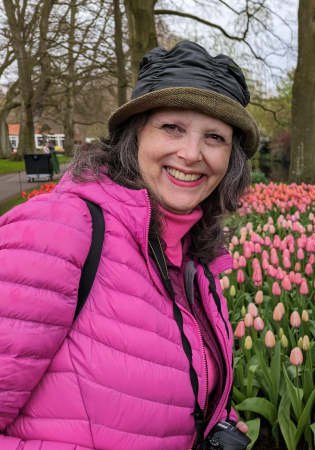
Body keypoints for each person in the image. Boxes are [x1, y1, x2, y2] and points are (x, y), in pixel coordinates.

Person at [0, 40, 259, 450]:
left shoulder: (194, 264)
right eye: (172, 127)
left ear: (232, 160)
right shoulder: (58, 230)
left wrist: (216, 423)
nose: (191, 153)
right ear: (134, 135)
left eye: (214, 137)